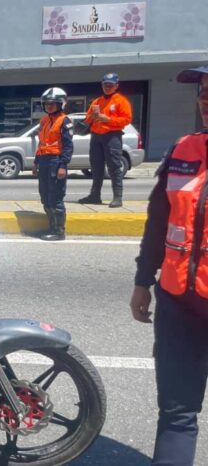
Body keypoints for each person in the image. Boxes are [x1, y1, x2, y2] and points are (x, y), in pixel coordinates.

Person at [131, 64, 208, 466]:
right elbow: (158, 222)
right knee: (177, 415)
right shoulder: (183, 150)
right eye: (204, 92)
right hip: (179, 300)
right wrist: (143, 281)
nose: (206, 101)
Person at [78, 73, 132, 208]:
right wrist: (89, 119)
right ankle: (95, 195)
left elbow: (127, 119)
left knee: (114, 166)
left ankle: (117, 197)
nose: (107, 87)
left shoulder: (121, 101)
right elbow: (88, 119)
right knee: (96, 167)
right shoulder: (96, 101)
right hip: (96, 136)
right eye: (105, 84)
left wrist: (108, 119)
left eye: (110, 85)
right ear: (102, 85)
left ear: (116, 86)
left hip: (112, 135)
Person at [32, 88, 73, 241]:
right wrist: (36, 163)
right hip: (44, 160)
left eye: (53, 104)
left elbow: (68, 146)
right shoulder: (44, 120)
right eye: (47, 104)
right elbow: (42, 143)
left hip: (56, 161)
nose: (49, 106)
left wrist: (63, 165)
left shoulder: (64, 121)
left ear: (60, 104)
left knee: (55, 197)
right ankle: (51, 227)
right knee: (45, 196)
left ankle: (59, 231)